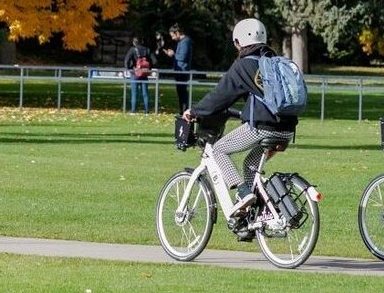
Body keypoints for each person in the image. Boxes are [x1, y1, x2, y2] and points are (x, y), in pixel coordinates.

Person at [182, 18, 297, 226]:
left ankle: (243, 193)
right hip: (287, 129)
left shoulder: (244, 64)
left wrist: (195, 110)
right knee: (250, 164)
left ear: (239, 42)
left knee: (218, 150)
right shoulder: (273, 62)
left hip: (263, 128)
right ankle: (254, 217)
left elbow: (221, 95)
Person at [162, 22, 193, 114]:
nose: (172, 38)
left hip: (182, 71)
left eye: (173, 36)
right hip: (179, 71)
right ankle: (182, 110)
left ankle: (184, 111)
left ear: (178, 33)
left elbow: (182, 57)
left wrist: (173, 54)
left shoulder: (186, 42)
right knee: (180, 93)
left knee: (182, 93)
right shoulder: (182, 42)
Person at [123, 36, 155, 114]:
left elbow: (126, 61)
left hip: (135, 74)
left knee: (134, 93)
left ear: (134, 43)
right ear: (142, 42)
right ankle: (147, 112)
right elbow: (154, 61)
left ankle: (133, 111)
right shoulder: (147, 50)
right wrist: (148, 69)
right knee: (145, 93)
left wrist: (130, 69)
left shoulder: (132, 50)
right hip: (144, 74)